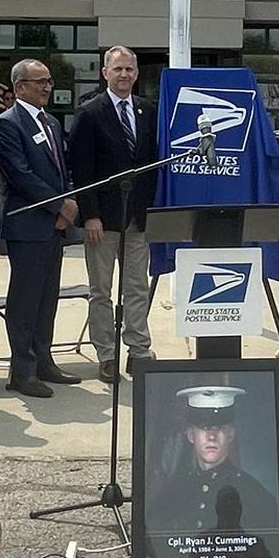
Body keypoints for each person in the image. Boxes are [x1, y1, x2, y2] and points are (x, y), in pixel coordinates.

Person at [67, 43, 158, 380]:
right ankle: (106, 354)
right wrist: (89, 214)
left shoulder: (148, 111)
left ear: (136, 74)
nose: (124, 75)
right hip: (101, 220)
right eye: (117, 69)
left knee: (137, 287)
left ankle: (139, 349)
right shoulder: (90, 112)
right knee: (100, 290)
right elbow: (80, 168)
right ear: (105, 73)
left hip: (138, 218)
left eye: (129, 69)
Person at [0, 58, 79, 399]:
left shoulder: (52, 123)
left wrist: (67, 208)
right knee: (25, 301)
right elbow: (20, 174)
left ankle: (44, 361)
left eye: (48, 81)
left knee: (47, 298)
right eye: (39, 81)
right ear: (19, 88)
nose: (47, 87)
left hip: (53, 227)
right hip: (27, 225)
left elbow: (61, 170)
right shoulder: (8, 124)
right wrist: (60, 205)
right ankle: (22, 370)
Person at [144, 386, 275, 539]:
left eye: (219, 428)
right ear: (191, 435)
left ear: (231, 434)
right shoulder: (174, 490)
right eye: (205, 428)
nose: (212, 436)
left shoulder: (252, 493)